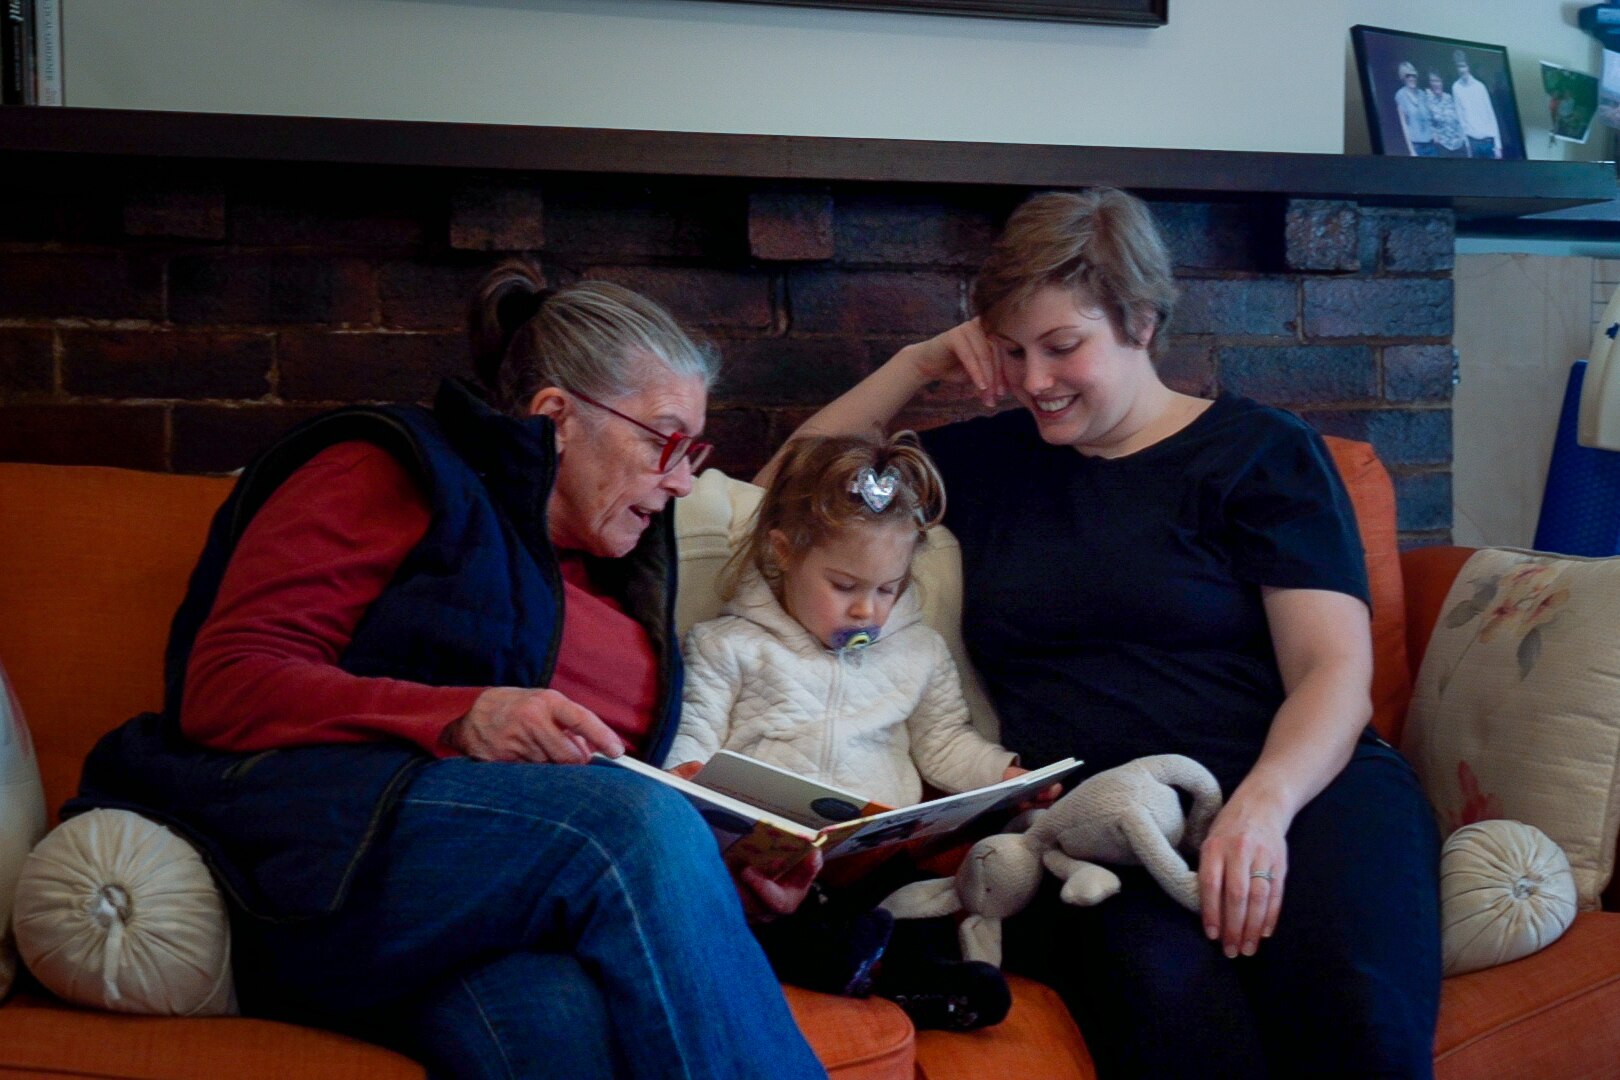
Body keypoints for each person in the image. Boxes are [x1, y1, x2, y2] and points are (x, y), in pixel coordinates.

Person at [69, 263, 830, 1080]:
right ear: (556, 418)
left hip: (487, 918)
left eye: (695, 450)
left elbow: (576, 828)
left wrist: (710, 879)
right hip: (324, 868)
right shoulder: (391, 468)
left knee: (558, 1020)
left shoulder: (619, 570)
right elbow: (222, 684)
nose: (682, 479)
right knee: (633, 821)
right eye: (664, 440)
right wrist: (460, 715)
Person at [771, 188, 1442, 1077]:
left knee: (1355, 1018)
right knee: (1171, 1007)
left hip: (1301, 788)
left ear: (1142, 322)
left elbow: (1331, 671)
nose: (1034, 380)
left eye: (1063, 347)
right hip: (1095, 831)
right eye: (1011, 351)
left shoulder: (1262, 453)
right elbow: (783, 493)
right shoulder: (985, 463)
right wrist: (919, 360)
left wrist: (1262, 808)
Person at [670, 431, 1026, 1030]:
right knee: (771, 912)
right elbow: (693, 742)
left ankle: (895, 970)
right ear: (783, 553)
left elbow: (943, 744)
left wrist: (1005, 774)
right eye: (844, 587)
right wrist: (683, 780)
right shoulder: (727, 646)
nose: (868, 611)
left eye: (888, 590)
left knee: (920, 894)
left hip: (877, 863)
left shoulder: (918, 653)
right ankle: (889, 978)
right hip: (778, 865)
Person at [1451, 49, 1503, 159]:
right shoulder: (1456, 88)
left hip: (1488, 141)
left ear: (1468, 66)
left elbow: (1491, 115)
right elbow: (1460, 118)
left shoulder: (1480, 87)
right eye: (1458, 67)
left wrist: (1498, 145)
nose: (1461, 70)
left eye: (1463, 66)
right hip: (1473, 143)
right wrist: (1467, 145)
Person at [1393, 61, 1436, 156]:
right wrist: (1411, 150)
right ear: (1403, 77)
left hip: (1431, 143)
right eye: (1408, 76)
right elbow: (1404, 125)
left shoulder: (1422, 94)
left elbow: (1430, 117)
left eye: (1414, 75)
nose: (1412, 78)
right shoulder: (1400, 95)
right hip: (1417, 146)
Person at [1422, 70, 1469, 158]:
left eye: (1438, 80)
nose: (1436, 84)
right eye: (1432, 81)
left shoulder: (1449, 98)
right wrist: (1434, 135)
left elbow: (1459, 118)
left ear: (1442, 82)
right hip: (1443, 147)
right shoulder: (1427, 100)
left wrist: (1463, 138)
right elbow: (1428, 121)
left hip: (1459, 145)